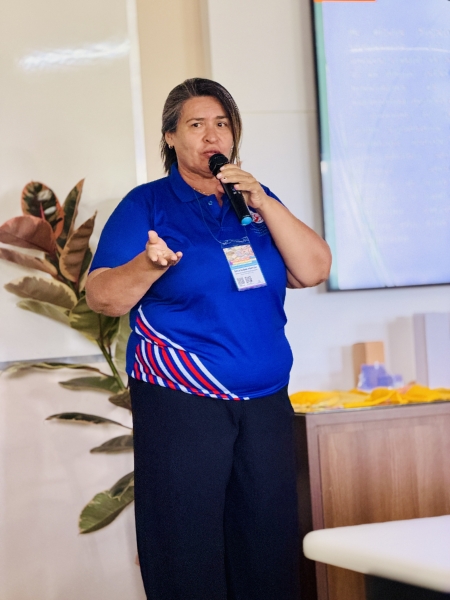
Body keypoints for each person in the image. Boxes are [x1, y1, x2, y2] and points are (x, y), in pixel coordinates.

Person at [86, 78, 331, 600]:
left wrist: (262, 200)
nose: (212, 135)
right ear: (171, 137)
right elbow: (102, 297)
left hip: (265, 403)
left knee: (267, 547)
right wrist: (148, 264)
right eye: (196, 124)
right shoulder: (147, 204)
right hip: (183, 403)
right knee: (187, 548)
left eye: (222, 124)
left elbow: (312, 269)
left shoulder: (254, 201)